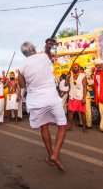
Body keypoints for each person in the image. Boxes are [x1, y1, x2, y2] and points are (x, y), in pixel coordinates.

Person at [18, 41, 67, 171]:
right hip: (51, 97)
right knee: (62, 125)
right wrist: (47, 46)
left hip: (36, 101)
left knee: (43, 126)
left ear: (23, 53)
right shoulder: (43, 57)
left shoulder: (21, 66)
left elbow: (22, 85)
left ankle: (50, 154)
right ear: (34, 48)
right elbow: (47, 52)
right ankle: (55, 154)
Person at [65, 63, 87, 133]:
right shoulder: (70, 75)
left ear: (79, 67)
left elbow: (85, 87)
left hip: (80, 96)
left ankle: (84, 126)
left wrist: (84, 97)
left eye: (76, 67)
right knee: (70, 112)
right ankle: (70, 126)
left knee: (82, 112)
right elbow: (66, 84)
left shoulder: (83, 76)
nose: (74, 69)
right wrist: (67, 77)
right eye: (73, 67)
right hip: (72, 96)